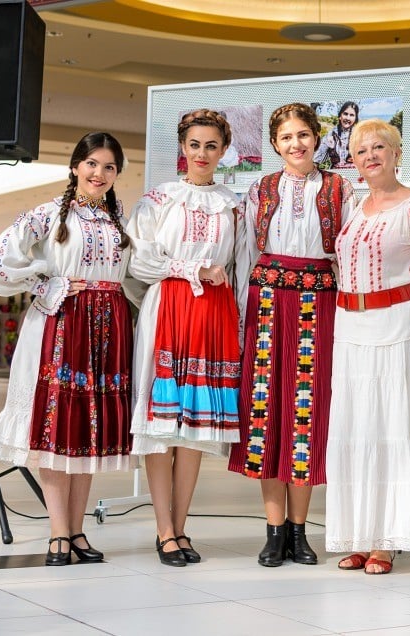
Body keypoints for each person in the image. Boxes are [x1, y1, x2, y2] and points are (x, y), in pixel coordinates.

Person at [0, 132, 137, 566]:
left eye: (109, 167)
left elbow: (134, 273)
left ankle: (77, 530)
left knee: (88, 430)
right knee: (56, 427)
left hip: (108, 328)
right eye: (91, 163)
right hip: (62, 324)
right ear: (75, 166)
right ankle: (57, 533)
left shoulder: (118, 219)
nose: (99, 174)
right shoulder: (49, 214)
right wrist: (44, 282)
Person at [325, 118, 410, 575]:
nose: (370, 157)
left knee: (390, 425)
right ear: (354, 162)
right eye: (361, 152)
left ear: (397, 154)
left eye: (379, 147)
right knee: (357, 427)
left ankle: (387, 539)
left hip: (393, 327)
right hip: (350, 327)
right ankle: (360, 534)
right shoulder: (356, 208)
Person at [228, 102, 354, 567]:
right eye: (286, 138)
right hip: (265, 306)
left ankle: (300, 532)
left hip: (318, 307)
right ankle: (273, 530)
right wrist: (242, 316)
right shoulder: (259, 190)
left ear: (316, 139)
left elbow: (349, 258)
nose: (295, 144)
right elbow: (244, 257)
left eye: (303, 135)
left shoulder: (341, 189)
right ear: (275, 145)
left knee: (306, 412)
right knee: (265, 414)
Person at [128, 110, 241, 567]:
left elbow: (238, 266)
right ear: (182, 147)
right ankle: (164, 531)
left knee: (193, 429)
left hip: (213, 312)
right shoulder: (158, 200)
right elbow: (139, 263)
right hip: (170, 308)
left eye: (211, 146)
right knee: (162, 426)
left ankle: (181, 526)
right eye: (195, 145)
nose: (202, 154)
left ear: (224, 151)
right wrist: (191, 269)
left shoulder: (235, 204)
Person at [313, 101, 359, 168]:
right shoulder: (331, 135)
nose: (348, 118)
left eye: (352, 115)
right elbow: (317, 159)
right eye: (345, 114)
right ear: (340, 116)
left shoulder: (359, 135)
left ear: (355, 119)